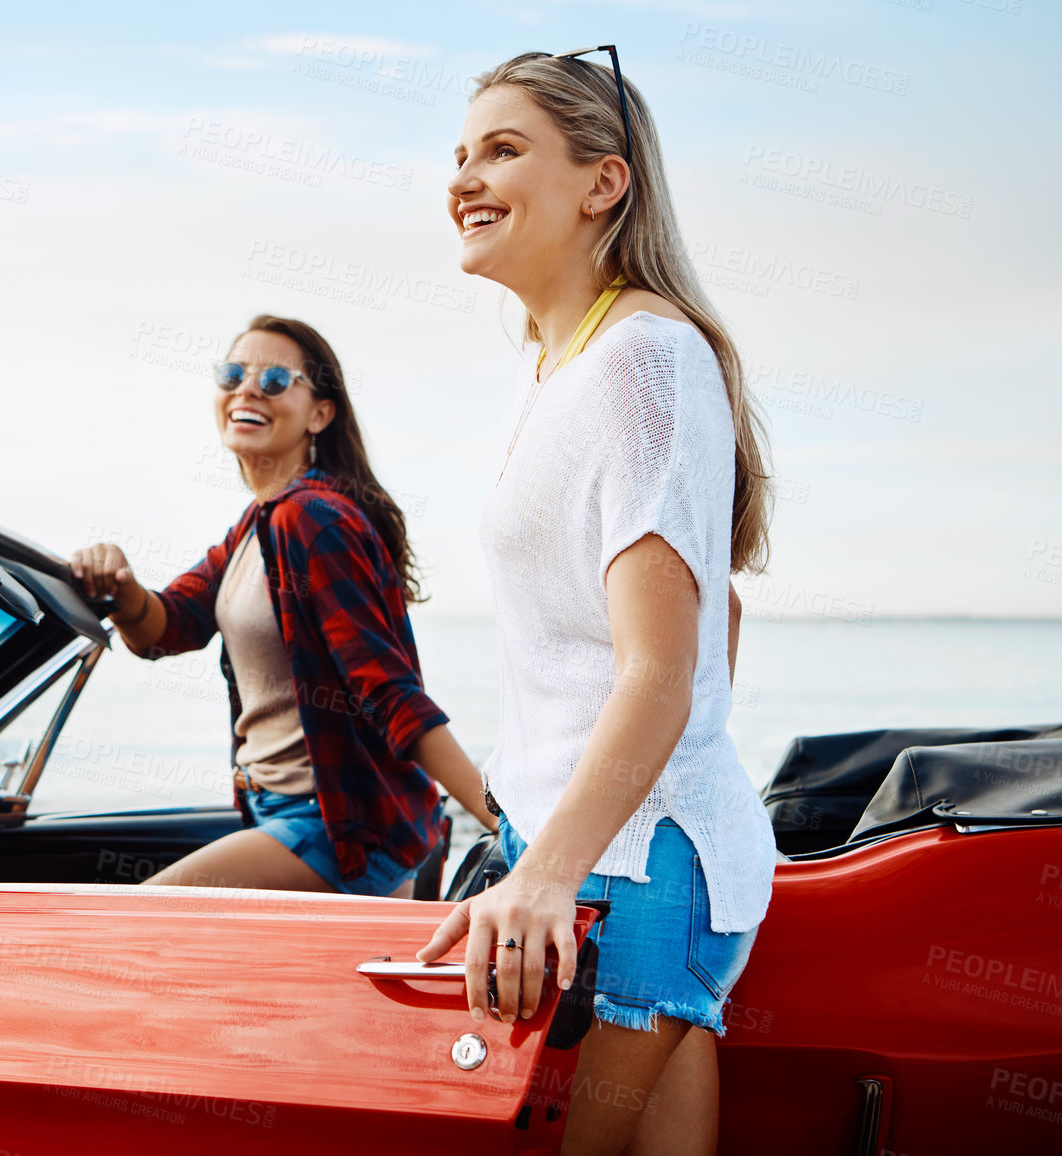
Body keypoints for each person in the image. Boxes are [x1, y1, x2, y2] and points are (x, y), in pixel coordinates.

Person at [415, 50, 777, 1155]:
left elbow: (664, 668)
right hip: (601, 851)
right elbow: (716, 619)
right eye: (462, 154)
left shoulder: (644, 361)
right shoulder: (565, 367)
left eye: (505, 148)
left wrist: (543, 874)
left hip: (634, 873)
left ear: (603, 182)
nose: (465, 178)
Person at [70, 314, 497, 898]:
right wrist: (118, 586)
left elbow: (387, 691)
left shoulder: (311, 519)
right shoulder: (259, 524)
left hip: (332, 828)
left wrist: (505, 820)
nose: (247, 388)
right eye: (232, 373)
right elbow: (164, 629)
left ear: (320, 414)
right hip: (292, 817)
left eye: (274, 380)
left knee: (133, 918)